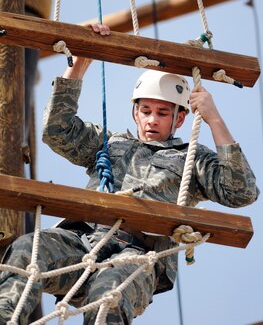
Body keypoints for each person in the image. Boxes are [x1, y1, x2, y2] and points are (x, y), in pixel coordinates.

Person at [0, 23, 259, 324]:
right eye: (146, 110)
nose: (151, 120)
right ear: (135, 111)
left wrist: (214, 119)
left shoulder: (192, 158)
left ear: (180, 119)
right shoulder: (110, 144)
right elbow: (57, 130)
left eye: (162, 113)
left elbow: (241, 192)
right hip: (84, 239)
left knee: (108, 299)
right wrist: (79, 66)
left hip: (136, 255)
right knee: (28, 249)